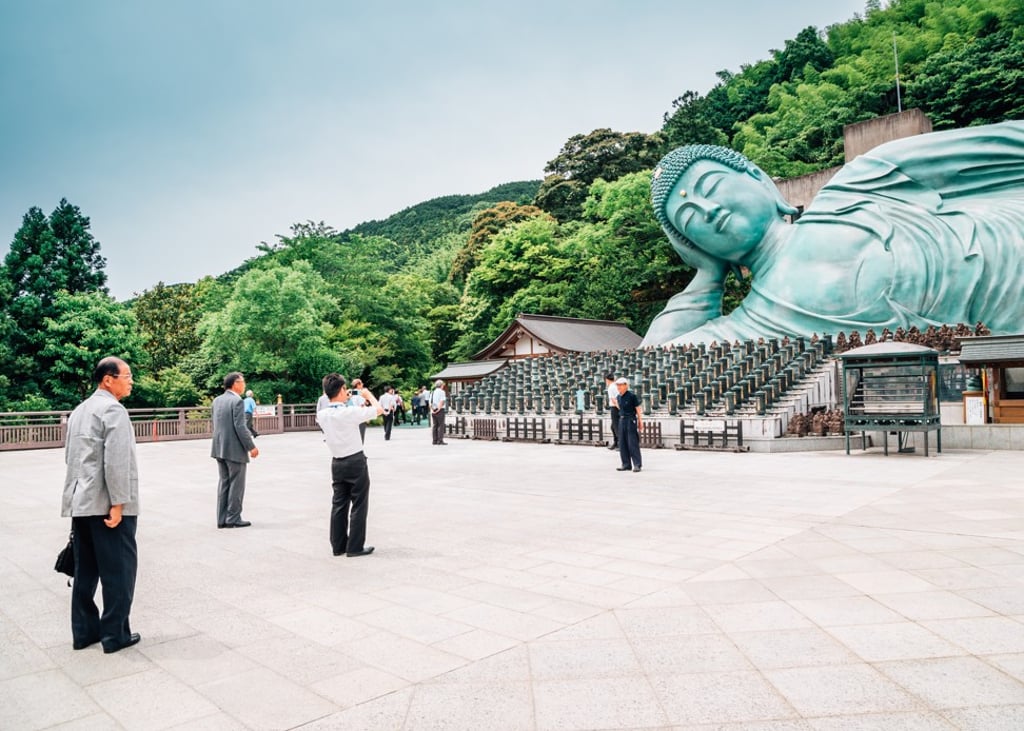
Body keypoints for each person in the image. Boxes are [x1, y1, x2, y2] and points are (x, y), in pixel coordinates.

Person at [642, 121, 1024, 347]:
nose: (709, 212)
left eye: (711, 187)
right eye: (691, 221)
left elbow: (1003, 144)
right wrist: (708, 275)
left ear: (759, 178)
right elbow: (652, 363)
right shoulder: (754, 323)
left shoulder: (859, 184)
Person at [61, 356, 141, 654]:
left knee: (86, 571)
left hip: (81, 502)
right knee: (118, 571)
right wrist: (119, 504)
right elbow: (117, 461)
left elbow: (70, 457)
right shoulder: (113, 410)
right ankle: (115, 634)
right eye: (127, 375)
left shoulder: (80, 410)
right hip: (107, 506)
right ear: (108, 379)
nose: (131, 380)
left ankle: (84, 633)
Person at [316, 373, 383, 557]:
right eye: (345, 388)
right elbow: (379, 410)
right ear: (341, 390)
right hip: (355, 460)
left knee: (339, 503)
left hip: (336, 462)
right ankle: (355, 546)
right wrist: (368, 396)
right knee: (359, 503)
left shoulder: (322, 415)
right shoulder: (349, 412)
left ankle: (338, 545)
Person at [211, 372, 259, 528]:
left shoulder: (217, 400)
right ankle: (233, 517)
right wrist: (251, 447)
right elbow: (240, 426)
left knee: (224, 482)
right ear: (235, 384)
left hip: (219, 447)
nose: (244, 384)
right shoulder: (237, 401)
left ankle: (221, 518)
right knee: (236, 484)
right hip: (234, 449)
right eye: (242, 381)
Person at [614, 377, 642, 473]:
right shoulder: (618, 397)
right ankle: (626, 464)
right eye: (618, 385)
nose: (619, 387)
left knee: (632, 443)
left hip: (630, 420)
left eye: (621, 385)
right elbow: (620, 408)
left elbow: (638, 409)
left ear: (626, 385)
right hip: (621, 420)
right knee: (622, 443)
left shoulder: (631, 396)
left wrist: (640, 421)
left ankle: (637, 464)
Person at [429, 379, 447, 445]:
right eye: (443, 385)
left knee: (435, 425)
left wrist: (432, 410)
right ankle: (440, 440)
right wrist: (438, 409)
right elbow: (442, 401)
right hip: (440, 410)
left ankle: (434, 440)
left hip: (433, 410)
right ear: (441, 385)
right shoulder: (442, 392)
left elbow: (430, 402)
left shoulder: (432, 392)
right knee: (441, 425)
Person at [604, 373, 619, 451]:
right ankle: (615, 442)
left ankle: (620, 444)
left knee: (616, 427)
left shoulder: (611, 387)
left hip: (615, 408)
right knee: (613, 427)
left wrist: (619, 408)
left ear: (607, 380)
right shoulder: (616, 385)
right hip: (617, 407)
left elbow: (613, 399)